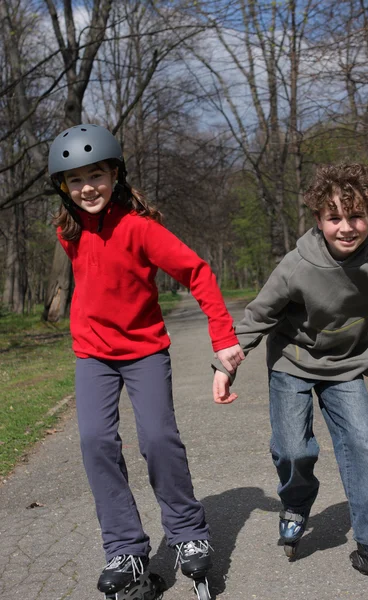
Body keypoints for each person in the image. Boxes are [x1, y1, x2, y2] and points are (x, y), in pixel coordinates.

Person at [47, 123, 244, 600]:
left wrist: (223, 336)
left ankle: (188, 532)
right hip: (92, 355)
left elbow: (196, 270)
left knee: (157, 438)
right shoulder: (67, 229)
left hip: (145, 351)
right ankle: (125, 547)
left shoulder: (140, 229)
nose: (87, 187)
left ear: (116, 174)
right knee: (96, 441)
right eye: (75, 180)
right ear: (63, 187)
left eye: (96, 175)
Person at [212, 163, 368, 593]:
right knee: (293, 449)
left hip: (346, 366)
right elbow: (258, 315)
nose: (347, 228)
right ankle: (296, 504)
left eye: (356, 216)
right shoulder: (297, 265)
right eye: (335, 218)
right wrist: (225, 366)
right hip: (292, 363)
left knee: (362, 442)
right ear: (318, 220)